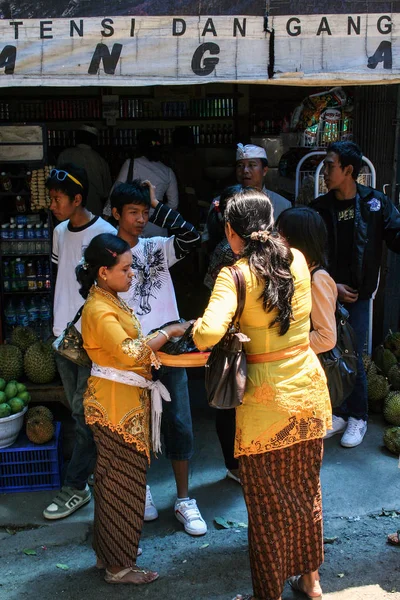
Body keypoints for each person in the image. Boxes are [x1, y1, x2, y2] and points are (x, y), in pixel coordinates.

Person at [193, 188, 332, 600]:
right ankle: (311, 582)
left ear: (231, 231)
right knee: (306, 491)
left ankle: (267, 593)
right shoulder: (299, 260)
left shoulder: (233, 274)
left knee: (268, 508)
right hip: (307, 393)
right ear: (270, 223)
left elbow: (206, 333)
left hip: (264, 408)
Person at [77, 233, 191, 585]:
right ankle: (119, 567)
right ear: (103, 272)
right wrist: (168, 331)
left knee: (114, 482)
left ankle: (109, 554)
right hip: (114, 409)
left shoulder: (106, 299)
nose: (132, 275)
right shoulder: (98, 308)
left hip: (117, 403)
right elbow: (129, 352)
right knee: (123, 486)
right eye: (125, 269)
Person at [110, 179, 207, 536]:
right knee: (137, 427)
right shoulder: (107, 253)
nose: (140, 219)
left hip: (170, 351)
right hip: (132, 352)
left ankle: (184, 499)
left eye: (144, 212)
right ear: (115, 213)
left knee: (179, 422)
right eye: (133, 212)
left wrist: (158, 204)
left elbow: (192, 236)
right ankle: (143, 491)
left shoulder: (156, 246)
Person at [312, 141, 400, 448]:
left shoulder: (375, 203)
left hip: (358, 298)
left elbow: (396, 235)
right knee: (327, 355)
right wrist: (330, 285)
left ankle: (358, 417)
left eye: (330, 165)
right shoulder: (320, 208)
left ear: (348, 170)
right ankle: (336, 412)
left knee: (353, 354)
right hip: (324, 294)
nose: (325, 171)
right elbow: (308, 251)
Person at [43, 164, 116, 521]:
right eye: (51, 198)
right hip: (62, 333)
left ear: (77, 199)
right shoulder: (59, 231)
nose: (52, 204)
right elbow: (59, 278)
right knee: (78, 410)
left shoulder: (104, 233)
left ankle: (77, 486)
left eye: (57, 198)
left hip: (91, 339)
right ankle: (93, 476)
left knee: (87, 413)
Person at [203, 143, 291, 251]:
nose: (245, 170)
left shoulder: (283, 204)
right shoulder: (220, 201)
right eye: (240, 166)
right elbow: (207, 240)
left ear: (264, 170)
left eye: (252, 165)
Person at [277, 206, 337, 356]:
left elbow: (326, 337)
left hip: (305, 370)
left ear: (297, 241)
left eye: (280, 235)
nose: (275, 240)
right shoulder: (294, 271)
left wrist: (283, 348)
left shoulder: (317, 279)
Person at [104, 129, 179, 237]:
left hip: (130, 221)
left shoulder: (130, 164)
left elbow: (116, 190)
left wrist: (107, 215)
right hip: (157, 227)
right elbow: (173, 204)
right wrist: (155, 213)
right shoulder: (168, 171)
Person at [57, 125, 112, 216]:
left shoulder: (64, 155)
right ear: (94, 140)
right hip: (93, 208)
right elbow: (106, 191)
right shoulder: (100, 160)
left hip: (68, 206)